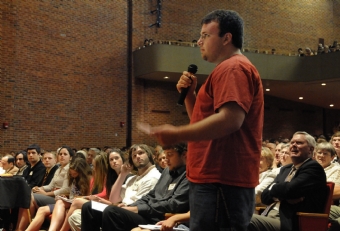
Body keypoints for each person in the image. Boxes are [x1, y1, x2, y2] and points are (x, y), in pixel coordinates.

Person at [148, 9, 264, 231]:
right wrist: (191, 96)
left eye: (205, 35)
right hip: (214, 177)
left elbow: (230, 120)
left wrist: (177, 133)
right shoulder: (226, 69)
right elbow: (203, 123)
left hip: (221, 178)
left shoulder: (234, 67)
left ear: (226, 38)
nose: (199, 41)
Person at [81, 143, 189, 231]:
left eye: (170, 155)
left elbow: (173, 204)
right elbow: (150, 195)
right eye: (134, 155)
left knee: (112, 211)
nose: (166, 160)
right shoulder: (166, 172)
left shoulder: (185, 175)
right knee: (89, 207)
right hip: (133, 209)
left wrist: (136, 208)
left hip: (152, 216)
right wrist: (132, 205)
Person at [248, 131, 328, 231]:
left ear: (310, 149)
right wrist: (283, 194)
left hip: (289, 221)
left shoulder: (313, 168)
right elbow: (265, 197)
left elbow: (290, 190)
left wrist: (275, 189)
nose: (293, 145)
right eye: (292, 142)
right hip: (268, 214)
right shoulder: (286, 169)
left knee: (244, 220)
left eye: (299, 143)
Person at [64, 149, 126, 231]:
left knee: (79, 203)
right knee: (74, 216)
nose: (114, 161)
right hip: (106, 205)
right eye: (111, 159)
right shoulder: (111, 177)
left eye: (116, 158)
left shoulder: (125, 177)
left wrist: (90, 197)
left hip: (112, 208)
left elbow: (109, 198)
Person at [15, 146, 73, 231]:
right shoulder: (59, 168)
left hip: (63, 199)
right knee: (28, 196)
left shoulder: (70, 169)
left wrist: (46, 194)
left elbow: (66, 189)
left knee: (29, 196)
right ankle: (20, 227)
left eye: (65, 154)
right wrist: (39, 188)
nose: (62, 156)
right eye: (60, 154)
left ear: (70, 157)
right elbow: (50, 186)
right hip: (55, 196)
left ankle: (22, 228)